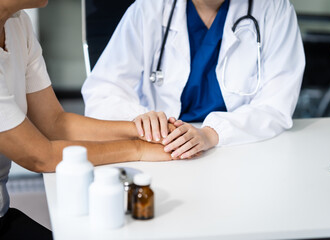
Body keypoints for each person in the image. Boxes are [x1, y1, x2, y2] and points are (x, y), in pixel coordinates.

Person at [0, 0, 178, 239]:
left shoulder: (17, 23)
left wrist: (143, 130)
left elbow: (55, 124)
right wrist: (138, 149)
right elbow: (40, 156)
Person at [82, 0, 305, 160]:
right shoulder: (149, 8)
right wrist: (142, 121)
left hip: (240, 147)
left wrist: (211, 134)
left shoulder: (275, 9)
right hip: (160, 149)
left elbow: (276, 105)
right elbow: (102, 90)